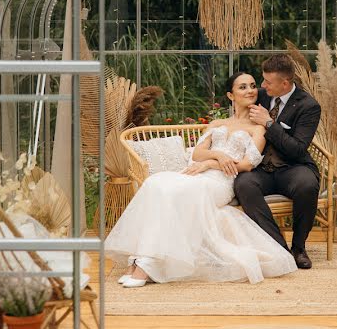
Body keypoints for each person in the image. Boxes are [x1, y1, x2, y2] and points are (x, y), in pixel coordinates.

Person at [106, 72, 297, 287]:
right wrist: (217, 155)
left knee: (176, 193)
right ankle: (139, 258)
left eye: (253, 86)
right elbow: (197, 153)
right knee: (155, 183)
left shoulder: (258, 128)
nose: (251, 90)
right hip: (196, 173)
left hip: (221, 182)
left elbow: (246, 164)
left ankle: (146, 265)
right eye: (242, 87)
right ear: (230, 95)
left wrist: (211, 164)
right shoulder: (217, 123)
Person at [234, 54, 322, 269]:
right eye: (262, 80)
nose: (262, 86)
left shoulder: (308, 106)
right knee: (243, 184)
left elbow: (297, 148)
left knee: (307, 185)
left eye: (267, 82)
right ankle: (279, 246)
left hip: (293, 166)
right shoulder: (260, 96)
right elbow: (237, 110)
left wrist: (269, 123)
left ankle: (299, 247)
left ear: (285, 83)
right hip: (261, 167)